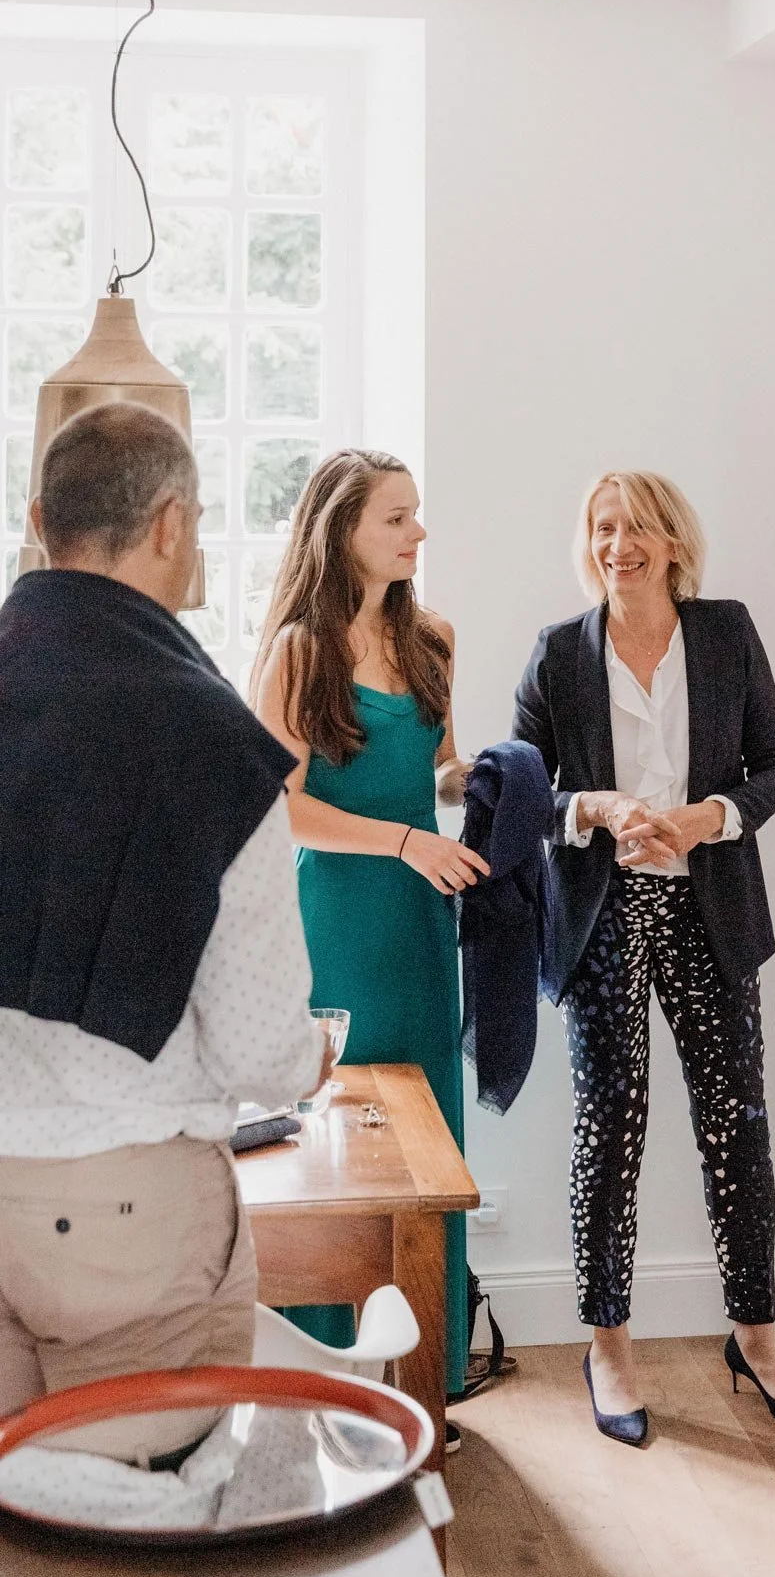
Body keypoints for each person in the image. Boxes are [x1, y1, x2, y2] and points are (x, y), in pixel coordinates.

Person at [0, 403, 325, 1461]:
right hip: (122, 1207)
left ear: (40, 517)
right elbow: (256, 1051)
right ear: (173, 525)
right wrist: (312, 1055)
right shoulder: (207, 738)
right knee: (133, 1536)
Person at [513, 470, 775, 1447]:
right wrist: (594, 809)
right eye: (603, 527)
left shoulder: (725, 633)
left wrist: (705, 818)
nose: (619, 545)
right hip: (602, 914)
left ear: (672, 541)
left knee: (736, 1122)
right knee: (610, 1131)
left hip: (710, 905)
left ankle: (755, 1333)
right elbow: (514, 792)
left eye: (637, 527)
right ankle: (607, 1346)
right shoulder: (560, 654)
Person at [252, 450, 485, 1436]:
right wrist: (399, 841)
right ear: (342, 527)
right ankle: (323, 1373)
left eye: (416, 515)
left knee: (428, 1140)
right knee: (339, 1143)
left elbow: (435, 771)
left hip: (423, 923)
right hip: (337, 921)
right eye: (396, 517)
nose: (416, 533)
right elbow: (283, 806)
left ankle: (425, 1377)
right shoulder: (299, 651)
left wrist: (511, 783)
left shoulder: (432, 637)